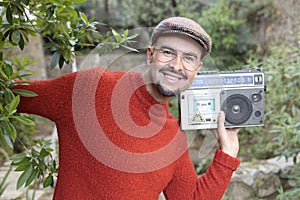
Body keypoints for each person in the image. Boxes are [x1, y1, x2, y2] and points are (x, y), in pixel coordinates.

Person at [16, 17, 240, 200]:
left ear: (197, 70)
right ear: (150, 54)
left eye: (189, 58)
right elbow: (12, 96)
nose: (177, 66)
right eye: (168, 53)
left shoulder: (175, 138)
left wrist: (227, 152)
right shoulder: (90, 88)